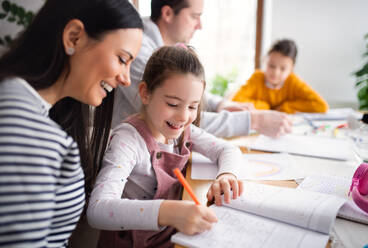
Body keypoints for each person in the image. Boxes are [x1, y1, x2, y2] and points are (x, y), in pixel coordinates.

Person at [0, 0, 143, 247]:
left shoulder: (21, 101)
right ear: (74, 38)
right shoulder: (32, 134)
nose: (126, 79)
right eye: (122, 59)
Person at [87, 46, 244, 247]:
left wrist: (227, 175)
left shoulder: (184, 131)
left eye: (192, 106)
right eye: (172, 104)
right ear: (145, 93)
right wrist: (169, 212)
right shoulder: (128, 141)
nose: (183, 116)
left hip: (172, 238)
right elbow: (98, 210)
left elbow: (228, 149)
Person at [112, 0, 292, 138]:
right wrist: (254, 121)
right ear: (167, 13)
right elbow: (177, 117)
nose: (200, 25)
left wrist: (220, 104)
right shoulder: (138, 49)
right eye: (194, 16)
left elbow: (181, 95)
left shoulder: (166, 47)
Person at [232, 39, 329, 114]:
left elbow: (321, 105)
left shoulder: (293, 82)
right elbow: (236, 100)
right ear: (265, 61)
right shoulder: (257, 78)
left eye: (283, 69)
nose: (275, 72)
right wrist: (266, 106)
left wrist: (285, 107)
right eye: (271, 66)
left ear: (291, 69)